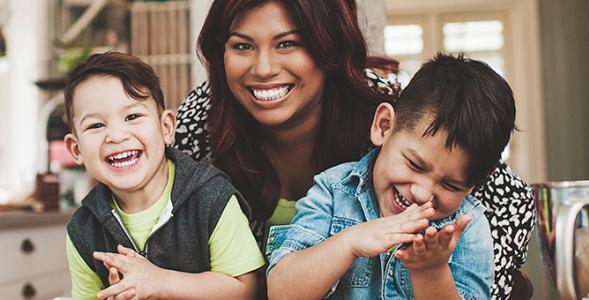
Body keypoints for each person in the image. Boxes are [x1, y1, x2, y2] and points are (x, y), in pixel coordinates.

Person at [173, 0, 535, 298]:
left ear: (327, 46)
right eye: (242, 45)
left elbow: (509, 196)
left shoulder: (394, 112)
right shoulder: (203, 120)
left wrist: (432, 270)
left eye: (287, 43)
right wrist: (349, 242)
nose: (264, 68)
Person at [266, 53, 514, 299]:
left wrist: (431, 273)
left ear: (474, 184)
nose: (422, 193)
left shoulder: (467, 227)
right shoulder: (334, 190)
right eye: (415, 165)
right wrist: (348, 243)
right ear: (384, 126)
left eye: (450, 184)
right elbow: (281, 292)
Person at [63, 52, 264, 299]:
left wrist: (160, 282)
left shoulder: (211, 198)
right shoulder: (83, 229)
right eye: (96, 125)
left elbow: (245, 290)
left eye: (132, 116)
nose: (116, 135)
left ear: (166, 128)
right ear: (76, 149)